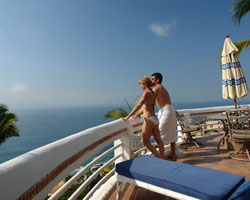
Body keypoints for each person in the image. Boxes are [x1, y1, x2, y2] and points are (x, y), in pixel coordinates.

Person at [123, 76, 165, 159]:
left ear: (144, 84)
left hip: (148, 119)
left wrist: (128, 117)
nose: (141, 87)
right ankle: (163, 157)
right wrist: (139, 114)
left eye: (141, 85)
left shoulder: (146, 93)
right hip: (155, 119)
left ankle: (159, 158)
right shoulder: (152, 92)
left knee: (146, 142)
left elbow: (138, 105)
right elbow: (147, 106)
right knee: (159, 141)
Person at [151, 72, 177, 159]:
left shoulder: (157, 88)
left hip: (166, 111)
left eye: (153, 79)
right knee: (171, 132)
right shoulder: (161, 88)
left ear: (157, 80)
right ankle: (172, 153)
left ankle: (157, 155)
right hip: (167, 110)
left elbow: (148, 101)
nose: (151, 81)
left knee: (159, 132)